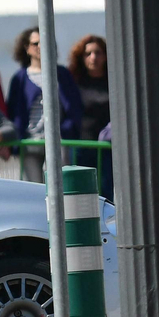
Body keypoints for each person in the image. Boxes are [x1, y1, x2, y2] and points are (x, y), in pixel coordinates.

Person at [7, 27, 84, 182]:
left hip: (57, 142)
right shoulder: (20, 78)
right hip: (30, 142)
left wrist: (65, 130)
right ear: (27, 48)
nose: (41, 47)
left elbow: (74, 106)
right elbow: (13, 110)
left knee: (59, 184)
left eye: (45, 42)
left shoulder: (62, 74)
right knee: (34, 187)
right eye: (36, 43)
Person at [68, 34, 112, 199]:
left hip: (107, 147)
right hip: (81, 145)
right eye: (88, 53)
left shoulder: (113, 81)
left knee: (106, 192)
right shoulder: (74, 82)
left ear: (106, 56)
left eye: (98, 53)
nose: (94, 58)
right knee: (81, 193)